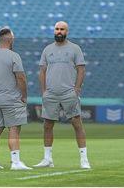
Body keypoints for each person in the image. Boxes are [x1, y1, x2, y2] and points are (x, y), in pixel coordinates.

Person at [33, 21, 91, 169]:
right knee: (47, 125)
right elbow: (42, 71)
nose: (59, 31)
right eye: (57, 29)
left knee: (77, 124)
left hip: (68, 93)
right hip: (51, 94)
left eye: (62, 29)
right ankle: (47, 159)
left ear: (67, 32)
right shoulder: (47, 49)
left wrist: (76, 89)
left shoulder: (75, 49)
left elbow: (81, 70)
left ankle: (84, 160)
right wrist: (44, 91)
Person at [0, 27, 31, 170]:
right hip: (10, 98)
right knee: (14, 129)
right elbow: (21, 77)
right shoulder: (13, 56)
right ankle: (15, 162)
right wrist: (24, 95)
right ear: (10, 39)